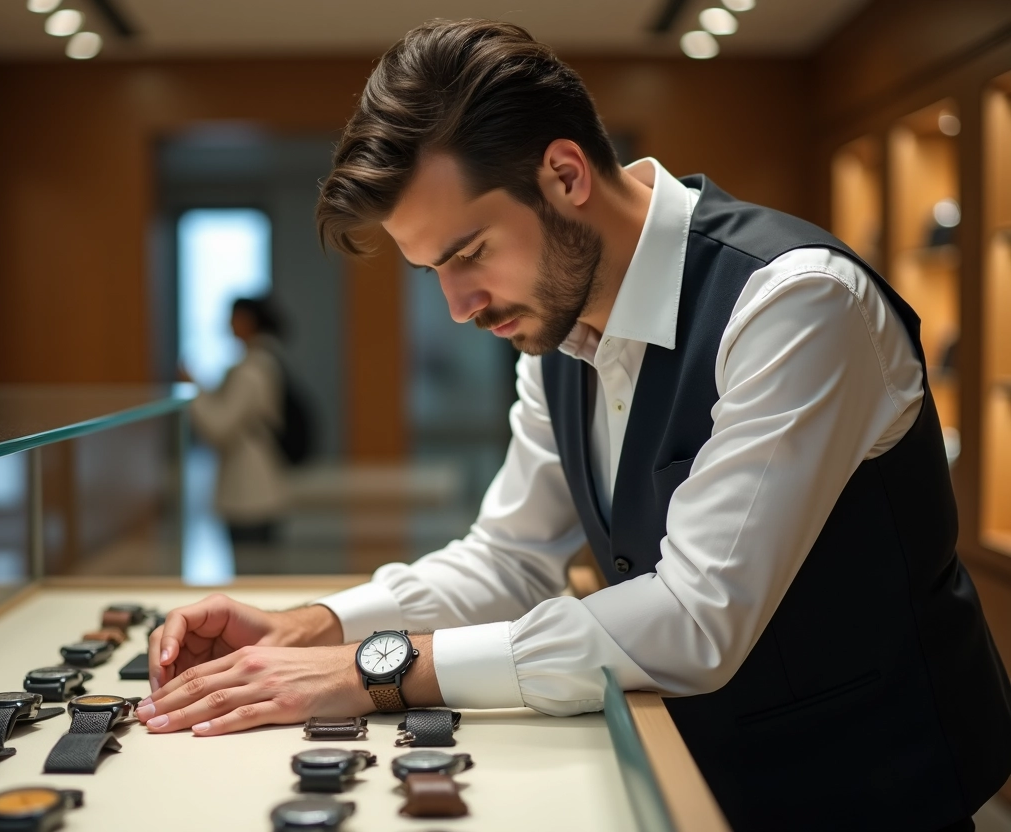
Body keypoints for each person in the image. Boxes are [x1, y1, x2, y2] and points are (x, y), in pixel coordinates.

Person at [139, 20, 1011, 832]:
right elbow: (510, 558)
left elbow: (695, 616)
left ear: (565, 175)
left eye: (469, 253)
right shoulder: (555, 334)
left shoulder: (796, 302)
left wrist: (380, 670)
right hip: (682, 776)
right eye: (434, 272)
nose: (459, 306)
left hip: (867, 792)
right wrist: (318, 625)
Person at [183, 297, 289, 546]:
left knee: (251, 562)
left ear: (248, 321)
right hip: (253, 487)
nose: (228, 324)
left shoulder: (250, 371)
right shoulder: (260, 363)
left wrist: (193, 391)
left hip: (249, 490)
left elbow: (220, 427)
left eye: (233, 317)